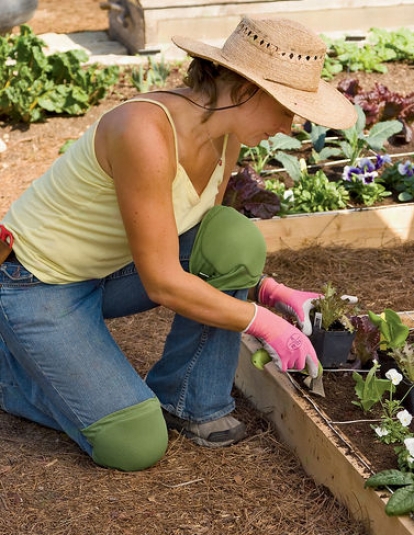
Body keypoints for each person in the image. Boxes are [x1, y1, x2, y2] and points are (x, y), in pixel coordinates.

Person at [0, 17, 357, 471]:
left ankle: (190, 401)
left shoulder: (226, 138)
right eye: (286, 108)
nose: (290, 126)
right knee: (133, 444)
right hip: (35, 284)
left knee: (233, 238)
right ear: (246, 88)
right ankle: (12, 373)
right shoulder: (143, 131)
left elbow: (202, 241)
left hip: (106, 271)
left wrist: (265, 288)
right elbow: (163, 283)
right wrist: (262, 322)